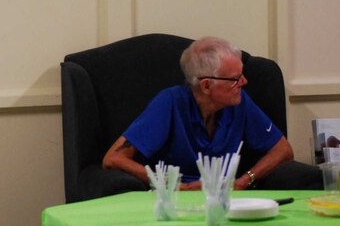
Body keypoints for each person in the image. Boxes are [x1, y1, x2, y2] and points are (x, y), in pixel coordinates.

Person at [102, 37, 294, 190]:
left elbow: (283, 150)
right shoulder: (169, 103)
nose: (244, 82)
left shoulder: (239, 101)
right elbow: (113, 158)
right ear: (207, 85)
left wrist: (244, 181)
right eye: (235, 78)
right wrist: (177, 186)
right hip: (175, 200)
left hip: (227, 199)